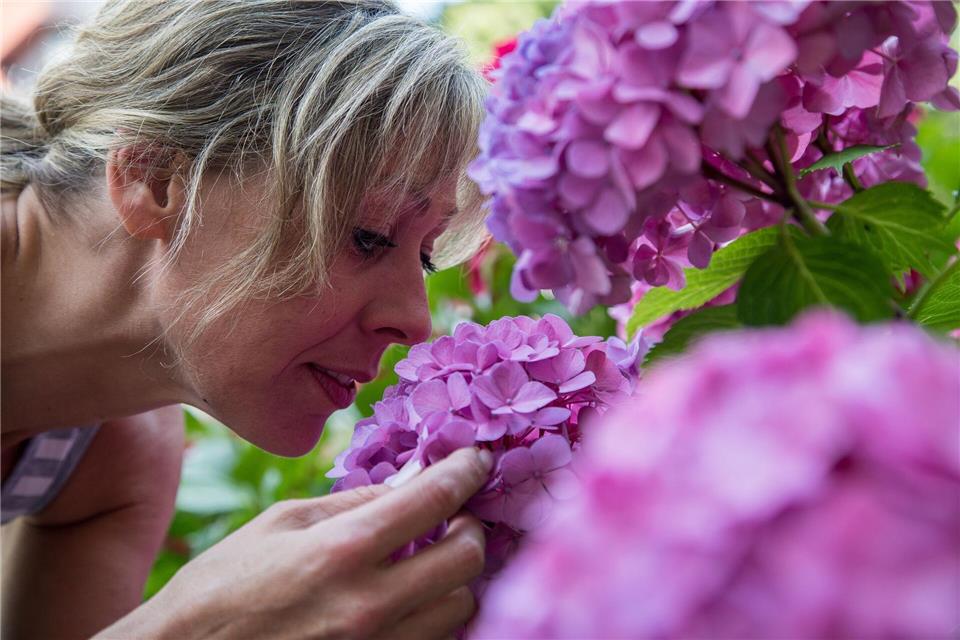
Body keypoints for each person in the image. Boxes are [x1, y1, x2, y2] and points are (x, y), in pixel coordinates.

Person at [0, 1, 493, 637]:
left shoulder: (115, 456)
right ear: (155, 181)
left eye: (424, 257)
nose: (415, 322)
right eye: (369, 235)